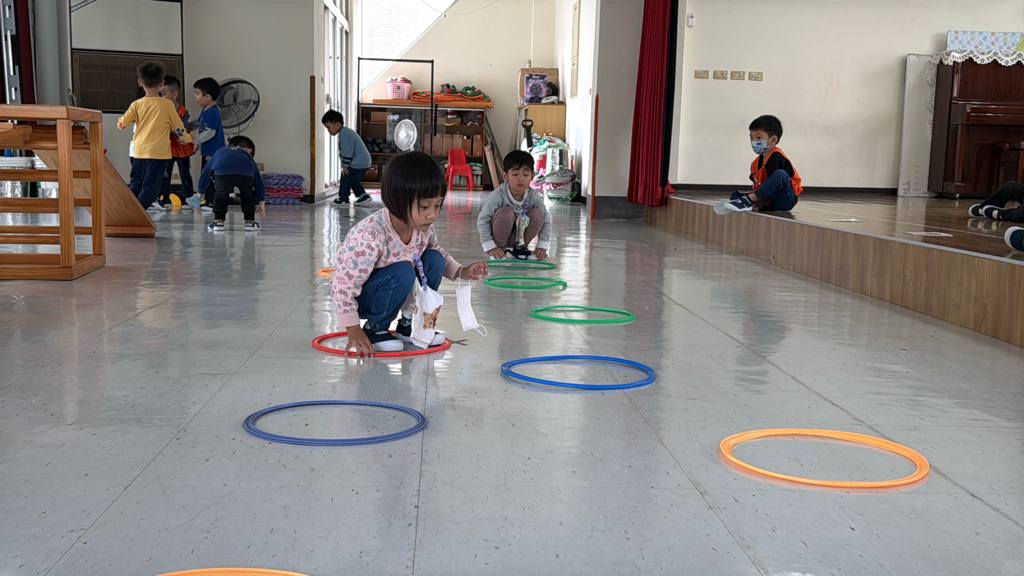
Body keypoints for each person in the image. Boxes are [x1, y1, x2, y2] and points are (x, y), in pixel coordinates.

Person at [330, 151, 488, 355]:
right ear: (397, 200)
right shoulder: (370, 235)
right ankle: (375, 328)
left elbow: (437, 252)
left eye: (437, 205)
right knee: (404, 271)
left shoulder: (422, 227)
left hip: (398, 288)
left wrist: (462, 271)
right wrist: (353, 330)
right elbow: (343, 284)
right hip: (366, 298)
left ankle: (411, 324)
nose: (432, 215)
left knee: (434, 259)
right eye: (424, 206)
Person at [117, 61, 191, 212]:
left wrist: (120, 122)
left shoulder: (136, 104)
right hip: (159, 153)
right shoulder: (167, 105)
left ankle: (128, 210)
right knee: (151, 186)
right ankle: (138, 212)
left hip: (139, 152)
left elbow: (122, 124)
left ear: (140, 82)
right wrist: (188, 138)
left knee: (136, 182)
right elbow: (178, 127)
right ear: (162, 83)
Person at [715, 114, 803, 215]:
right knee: (735, 194)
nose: (754, 141)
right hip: (768, 200)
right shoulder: (755, 163)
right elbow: (759, 186)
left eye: (758, 137)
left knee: (780, 174)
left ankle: (747, 202)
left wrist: (756, 202)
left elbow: (773, 185)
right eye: (751, 138)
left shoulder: (776, 156)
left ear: (773, 140)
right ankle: (747, 203)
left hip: (784, 199)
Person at [476, 150, 551, 260]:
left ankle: (521, 249)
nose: (521, 178)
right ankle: (500, 250)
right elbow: (483, 219)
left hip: (519, 238)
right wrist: (490, 246)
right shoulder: (498, 195)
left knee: (538, 214)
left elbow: (546, 221)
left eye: (525, 175)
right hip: (500, 237)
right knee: (505, 213)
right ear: (505, 176)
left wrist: (542, 247)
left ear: (532, 176)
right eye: (515, 174)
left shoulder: (533, 196)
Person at [197, 135, 266, 232]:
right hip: (245, 173)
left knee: (221, 195)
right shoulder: (246, 155)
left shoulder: (220, 151)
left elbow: (205, 172)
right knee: (248, 195)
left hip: (222, 172)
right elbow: (258, 179)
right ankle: (250, 222)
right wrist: (261, 200)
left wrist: (200, 191)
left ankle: (218, 222)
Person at [157, 75, 196, 209]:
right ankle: (164, 198)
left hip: (182, 149)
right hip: (167, 149)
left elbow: (183, 128)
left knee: (185, 174)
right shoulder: (160, 109)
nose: (161, 97)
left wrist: (169, 129)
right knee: (165, 174)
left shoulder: (182, 111)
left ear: (174, 94)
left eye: (164, 94)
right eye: (160, 94)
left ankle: (188, 199)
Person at [322, 110, 372, 206]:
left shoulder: (344, 133)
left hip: (360, 161)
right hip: (363, 161)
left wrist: (345, 167)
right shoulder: (346, 132)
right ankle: (363, 195)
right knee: (352, 179)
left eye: (328, 127)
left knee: (345, 177)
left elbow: (347, 151)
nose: (328, 131)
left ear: (337, 124)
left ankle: (343, 199)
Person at [191, 77, 226, 212]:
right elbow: (199, 124)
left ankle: (211, 202)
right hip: (207, 150)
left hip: (213, 151)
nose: (195, 96)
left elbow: (210, 132)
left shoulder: (213, 111)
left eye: (197, 93)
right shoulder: (205, 109)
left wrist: (195, 140)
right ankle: (205, 199)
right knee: (205, 174)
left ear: (207, 96)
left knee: (211, 176)